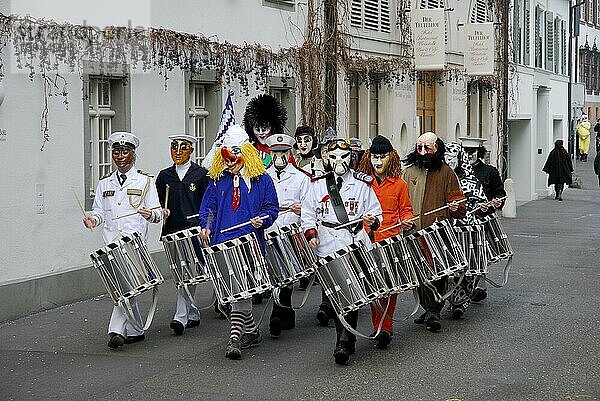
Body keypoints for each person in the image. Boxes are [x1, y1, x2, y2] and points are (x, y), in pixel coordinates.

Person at [198, 124, 279, 360]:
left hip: (250, 244)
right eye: (227, 160)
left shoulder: (262, 180)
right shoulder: (217, 181)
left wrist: (262, 220)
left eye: (234, 159)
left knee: (240, 292)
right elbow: (209, 209)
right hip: (222, 244)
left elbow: (271, 209)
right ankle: (251, 331)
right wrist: (206, 227)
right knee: (236, 291)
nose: (230, 164)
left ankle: (234, 338)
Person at [302, 137, 383, 365]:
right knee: (337, 294)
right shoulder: (317, 185)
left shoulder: (362, 184)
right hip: (327, 243)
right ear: (327, 158)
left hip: (352, 241)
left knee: (351, 293)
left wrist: (371, 220)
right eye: (334, 156)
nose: (339, 161)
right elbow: (308, 214)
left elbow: (377, 213)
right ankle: (345, 337)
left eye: (344, 157)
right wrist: (311, 234)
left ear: (351, 159)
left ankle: (344, 341)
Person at [83, 132, 162, 349]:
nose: (120, 156)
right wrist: (92, 220)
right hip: (111, 243)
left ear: (133, 155)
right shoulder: (104, 183)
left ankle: (116, 330)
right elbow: (99, 212)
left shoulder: (145, 181)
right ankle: (136, 330)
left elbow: (157, 212)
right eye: (116, 152)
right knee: (127, 287)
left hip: (134, 244)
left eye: (125, 152)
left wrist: (151, 215)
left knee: (124, 288)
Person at [403, 132, 466, 332]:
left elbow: (459, 203)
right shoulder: (409, 172)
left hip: (437, 233)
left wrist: (456, 208)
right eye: (419, 148)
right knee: (418, 273)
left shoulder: (447, 173)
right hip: (413, 233)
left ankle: (434, 310)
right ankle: (428, 307)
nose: (422, 152)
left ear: (436, 148)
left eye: (426, 148)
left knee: (437, 272)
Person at [358, 135, 414, 349]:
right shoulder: (362, 183)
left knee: (390, 287)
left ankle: (386, 327)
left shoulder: (400, 184)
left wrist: (407, 221)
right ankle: (378, 325)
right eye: (375, 157)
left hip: (391, 241)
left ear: (391, 158)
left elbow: (406, 210)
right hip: (368, 240)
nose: (378, 162)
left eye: (383, 157)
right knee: (374, 287)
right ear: (368, 158)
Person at [156, 134, 209, 335]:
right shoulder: (164, 176)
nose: (178, 152)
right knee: (180, 272)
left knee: (188, 271)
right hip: (172, 230)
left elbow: (207, 204)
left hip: (193, 229)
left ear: (191, 150)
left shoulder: (201, 174)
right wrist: (161, 211)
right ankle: (192, 313)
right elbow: (159, 202)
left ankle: (180, 316)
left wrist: (206, 227)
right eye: (174, 147)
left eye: (183, 147)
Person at [264, 133, 310, 338]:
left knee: (288, 273)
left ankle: (277, 312)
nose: (279, 156)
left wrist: (303, 211)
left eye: (283, 152)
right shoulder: (263, 177)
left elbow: (310, 207)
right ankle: (285, 310)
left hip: (291, 230)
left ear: (290, 153)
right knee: (275, 273)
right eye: (275, 152)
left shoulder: (302, 178)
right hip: (269, 229)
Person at [444, 141, 489, 318]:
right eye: (446, 159)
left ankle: (461, 302)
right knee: (449, 271)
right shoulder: (441, 179)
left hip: (468, 230)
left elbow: (481, 201)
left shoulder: (471, 180)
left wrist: (484, 207)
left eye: (452, 159)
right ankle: (451, 300)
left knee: (468, 269)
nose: (449, 162)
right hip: (447, 230)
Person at [460, 137, 507, 302]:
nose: (468, 155)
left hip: (482, 221)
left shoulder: (490, 171)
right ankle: (464, 287)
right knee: (463, 253)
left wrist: (495, 203)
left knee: (480, 251)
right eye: (464, 152)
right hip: (461, 221)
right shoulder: (456, 173)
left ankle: (480, 285)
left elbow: (500, 193)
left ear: (478, 153)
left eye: (471, 152)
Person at [242, 93, 288, 168]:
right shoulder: (249, 150)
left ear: (273, 127)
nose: (261, 133)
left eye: (264, 129)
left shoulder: (283, 149)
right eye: (257, 129)